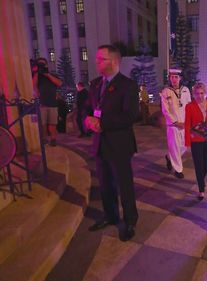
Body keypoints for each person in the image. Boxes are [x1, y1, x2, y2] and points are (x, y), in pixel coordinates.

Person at [85, 45, 139, 241]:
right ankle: (110, 215)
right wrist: (87, 120)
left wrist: (102, 123)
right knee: (105, 184)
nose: (97, 62)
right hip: (100, 143)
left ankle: (130, 220)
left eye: (101, 59)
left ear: (115, 61)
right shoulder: (95, 84)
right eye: (97, 58)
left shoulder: (127, 85)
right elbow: (87, 108)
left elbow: (131, 116)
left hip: (119, 145)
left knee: (124, 185)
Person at [160, 68, 192, 178]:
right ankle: (178, 170)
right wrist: (174, 122)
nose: (173, 79)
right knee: (174, 147)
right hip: (173, 125)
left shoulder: (186, 90)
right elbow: (165, 110)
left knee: (184, 146)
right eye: (171, 77)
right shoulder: (166, 91)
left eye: (176, 77)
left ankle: (169, 157)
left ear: (180, 78)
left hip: (184, 124)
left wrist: (187, 121)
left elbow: (189, 106)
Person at [185, 82, 207, 200]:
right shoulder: (190, 106)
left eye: (202, 93)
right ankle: (201, 188)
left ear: (206, 93)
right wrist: (187, 142)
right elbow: (187, 124)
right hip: (196, 140)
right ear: (193, 94)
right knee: (198, 165)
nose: (199, 96)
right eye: (197, 93)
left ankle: (200, 178)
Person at [32, 57, 62, 146]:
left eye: (43, 64)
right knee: (43, 124)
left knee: (52, 123)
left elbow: (59, 83)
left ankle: (53, 139)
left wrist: (47, 74)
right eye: (39, 64)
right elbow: (33, 85)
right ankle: (44, 139)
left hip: (52, 103)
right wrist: (37, 73)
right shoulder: (37, 76)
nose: (42, 65)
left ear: (46, 65)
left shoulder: (52, 75)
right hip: (42, 103)